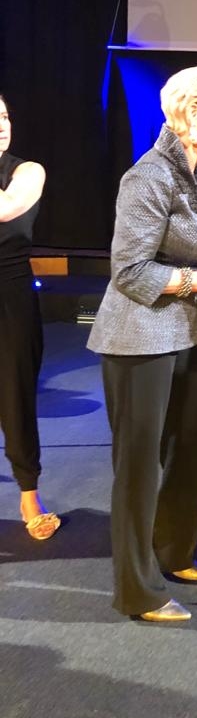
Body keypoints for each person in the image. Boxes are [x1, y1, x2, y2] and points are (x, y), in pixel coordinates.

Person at [88, 62, 197, 623]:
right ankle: (137, 591)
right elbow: (129, 271)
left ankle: (173, 551)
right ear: (191, 112)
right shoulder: (149, 176)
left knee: (192, 445)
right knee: (138, 468)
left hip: (182, 332)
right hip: (137, 338)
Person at [0, 95, 60, 541]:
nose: (2, 125)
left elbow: (6, 209)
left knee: (15, 394)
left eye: (4, 116)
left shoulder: (27, 171)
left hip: (10, 294)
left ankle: (29, 496)